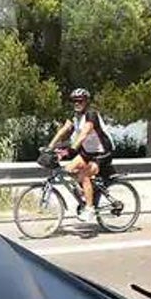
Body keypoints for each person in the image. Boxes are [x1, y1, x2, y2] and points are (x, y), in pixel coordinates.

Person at [47, 88, 115, 217]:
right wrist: (50, 146)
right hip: (87, 152)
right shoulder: (75, 115)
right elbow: (64, 129)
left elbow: (84, 133)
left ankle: (90, 208)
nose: (77, 103)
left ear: (86, 102)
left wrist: (71, 149)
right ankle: (88, 191)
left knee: (84, 175)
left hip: (102, 153)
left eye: (80, 101)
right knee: (68, 169)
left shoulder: (91, 114)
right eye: (74, 101)